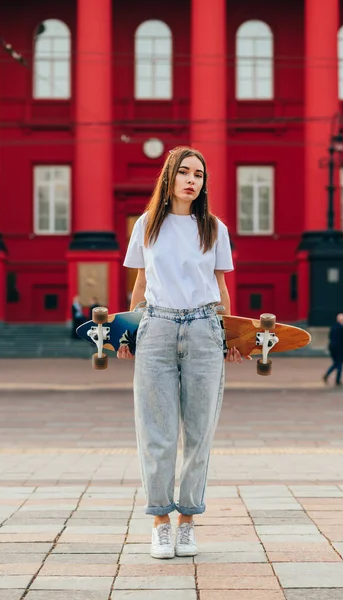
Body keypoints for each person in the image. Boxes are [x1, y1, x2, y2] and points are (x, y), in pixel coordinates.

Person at [118, 146, 250, 560]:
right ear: (169, 177)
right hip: (155, 327)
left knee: (199, 433)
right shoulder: (146, 225)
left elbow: (222, 288)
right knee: (155, 432)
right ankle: (159, 522)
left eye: (200, 174)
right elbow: (140, 285)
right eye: (185, 172)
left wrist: (231, 337)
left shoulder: (213, 228)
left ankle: (188, 522)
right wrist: (127, 332)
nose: (193, 180)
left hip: (203, 329)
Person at [323, 313, 343, 386]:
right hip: (340, 349)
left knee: (336, 363)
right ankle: (337, 380)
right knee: (339, 364)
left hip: (333, 348)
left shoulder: (333, 327)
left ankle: (329, 375)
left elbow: (330, 337)